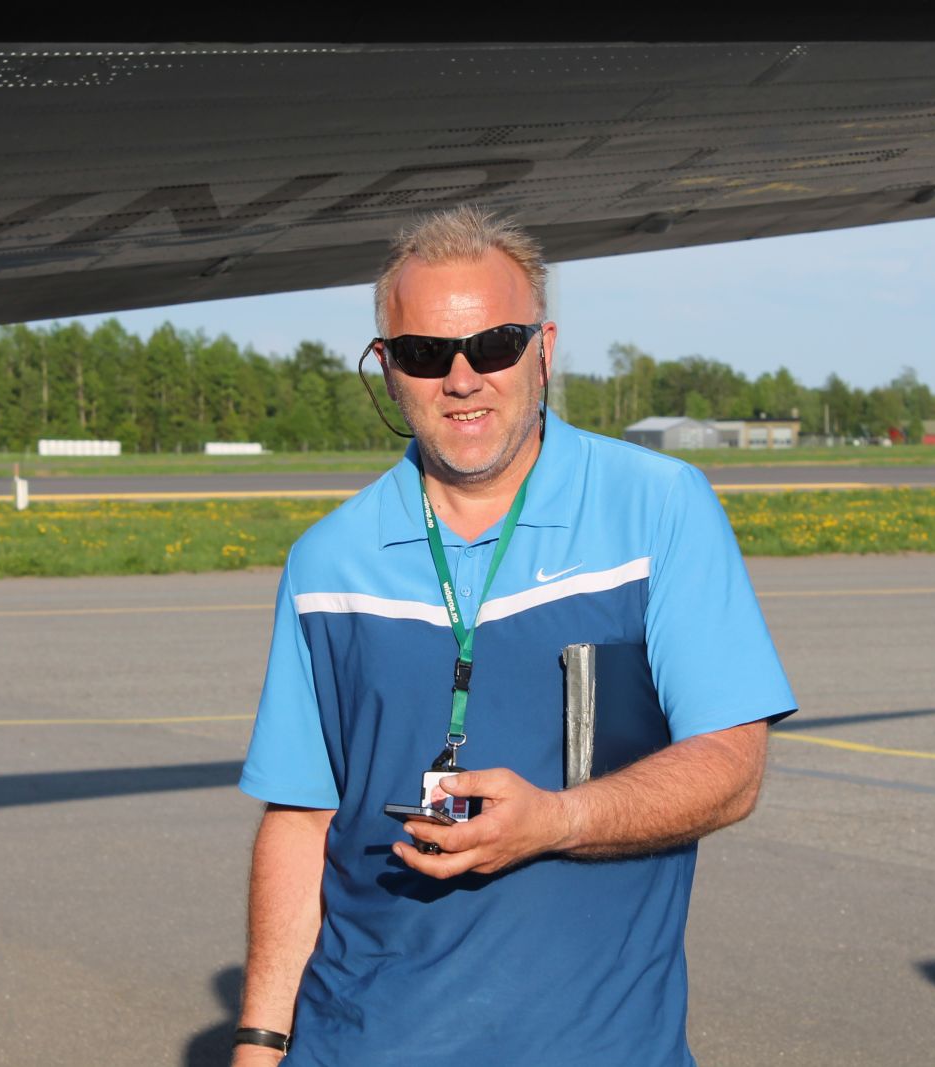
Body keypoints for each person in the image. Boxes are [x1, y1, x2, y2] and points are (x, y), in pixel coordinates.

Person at [233, 205, 796, 1067]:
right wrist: (259, 1043)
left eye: (493, 344)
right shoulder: (326, 561)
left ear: (544, 348)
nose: (462, 378)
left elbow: (731, 766)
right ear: (387, 368)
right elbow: (303, 821)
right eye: (426, 353)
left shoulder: (658, 508)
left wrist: (557, 820)